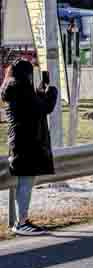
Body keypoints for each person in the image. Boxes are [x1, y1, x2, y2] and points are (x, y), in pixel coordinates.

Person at [3, 59, 58, 236]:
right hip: (26, 144)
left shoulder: (13, 88)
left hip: (22, 143)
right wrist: (52, 91)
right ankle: (21, 223)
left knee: (25, 183)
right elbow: (44, 108)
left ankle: (22, 221)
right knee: (25, 184)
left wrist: (40, 91)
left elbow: (34, 106)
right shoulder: (21, 89)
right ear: (26, 74)